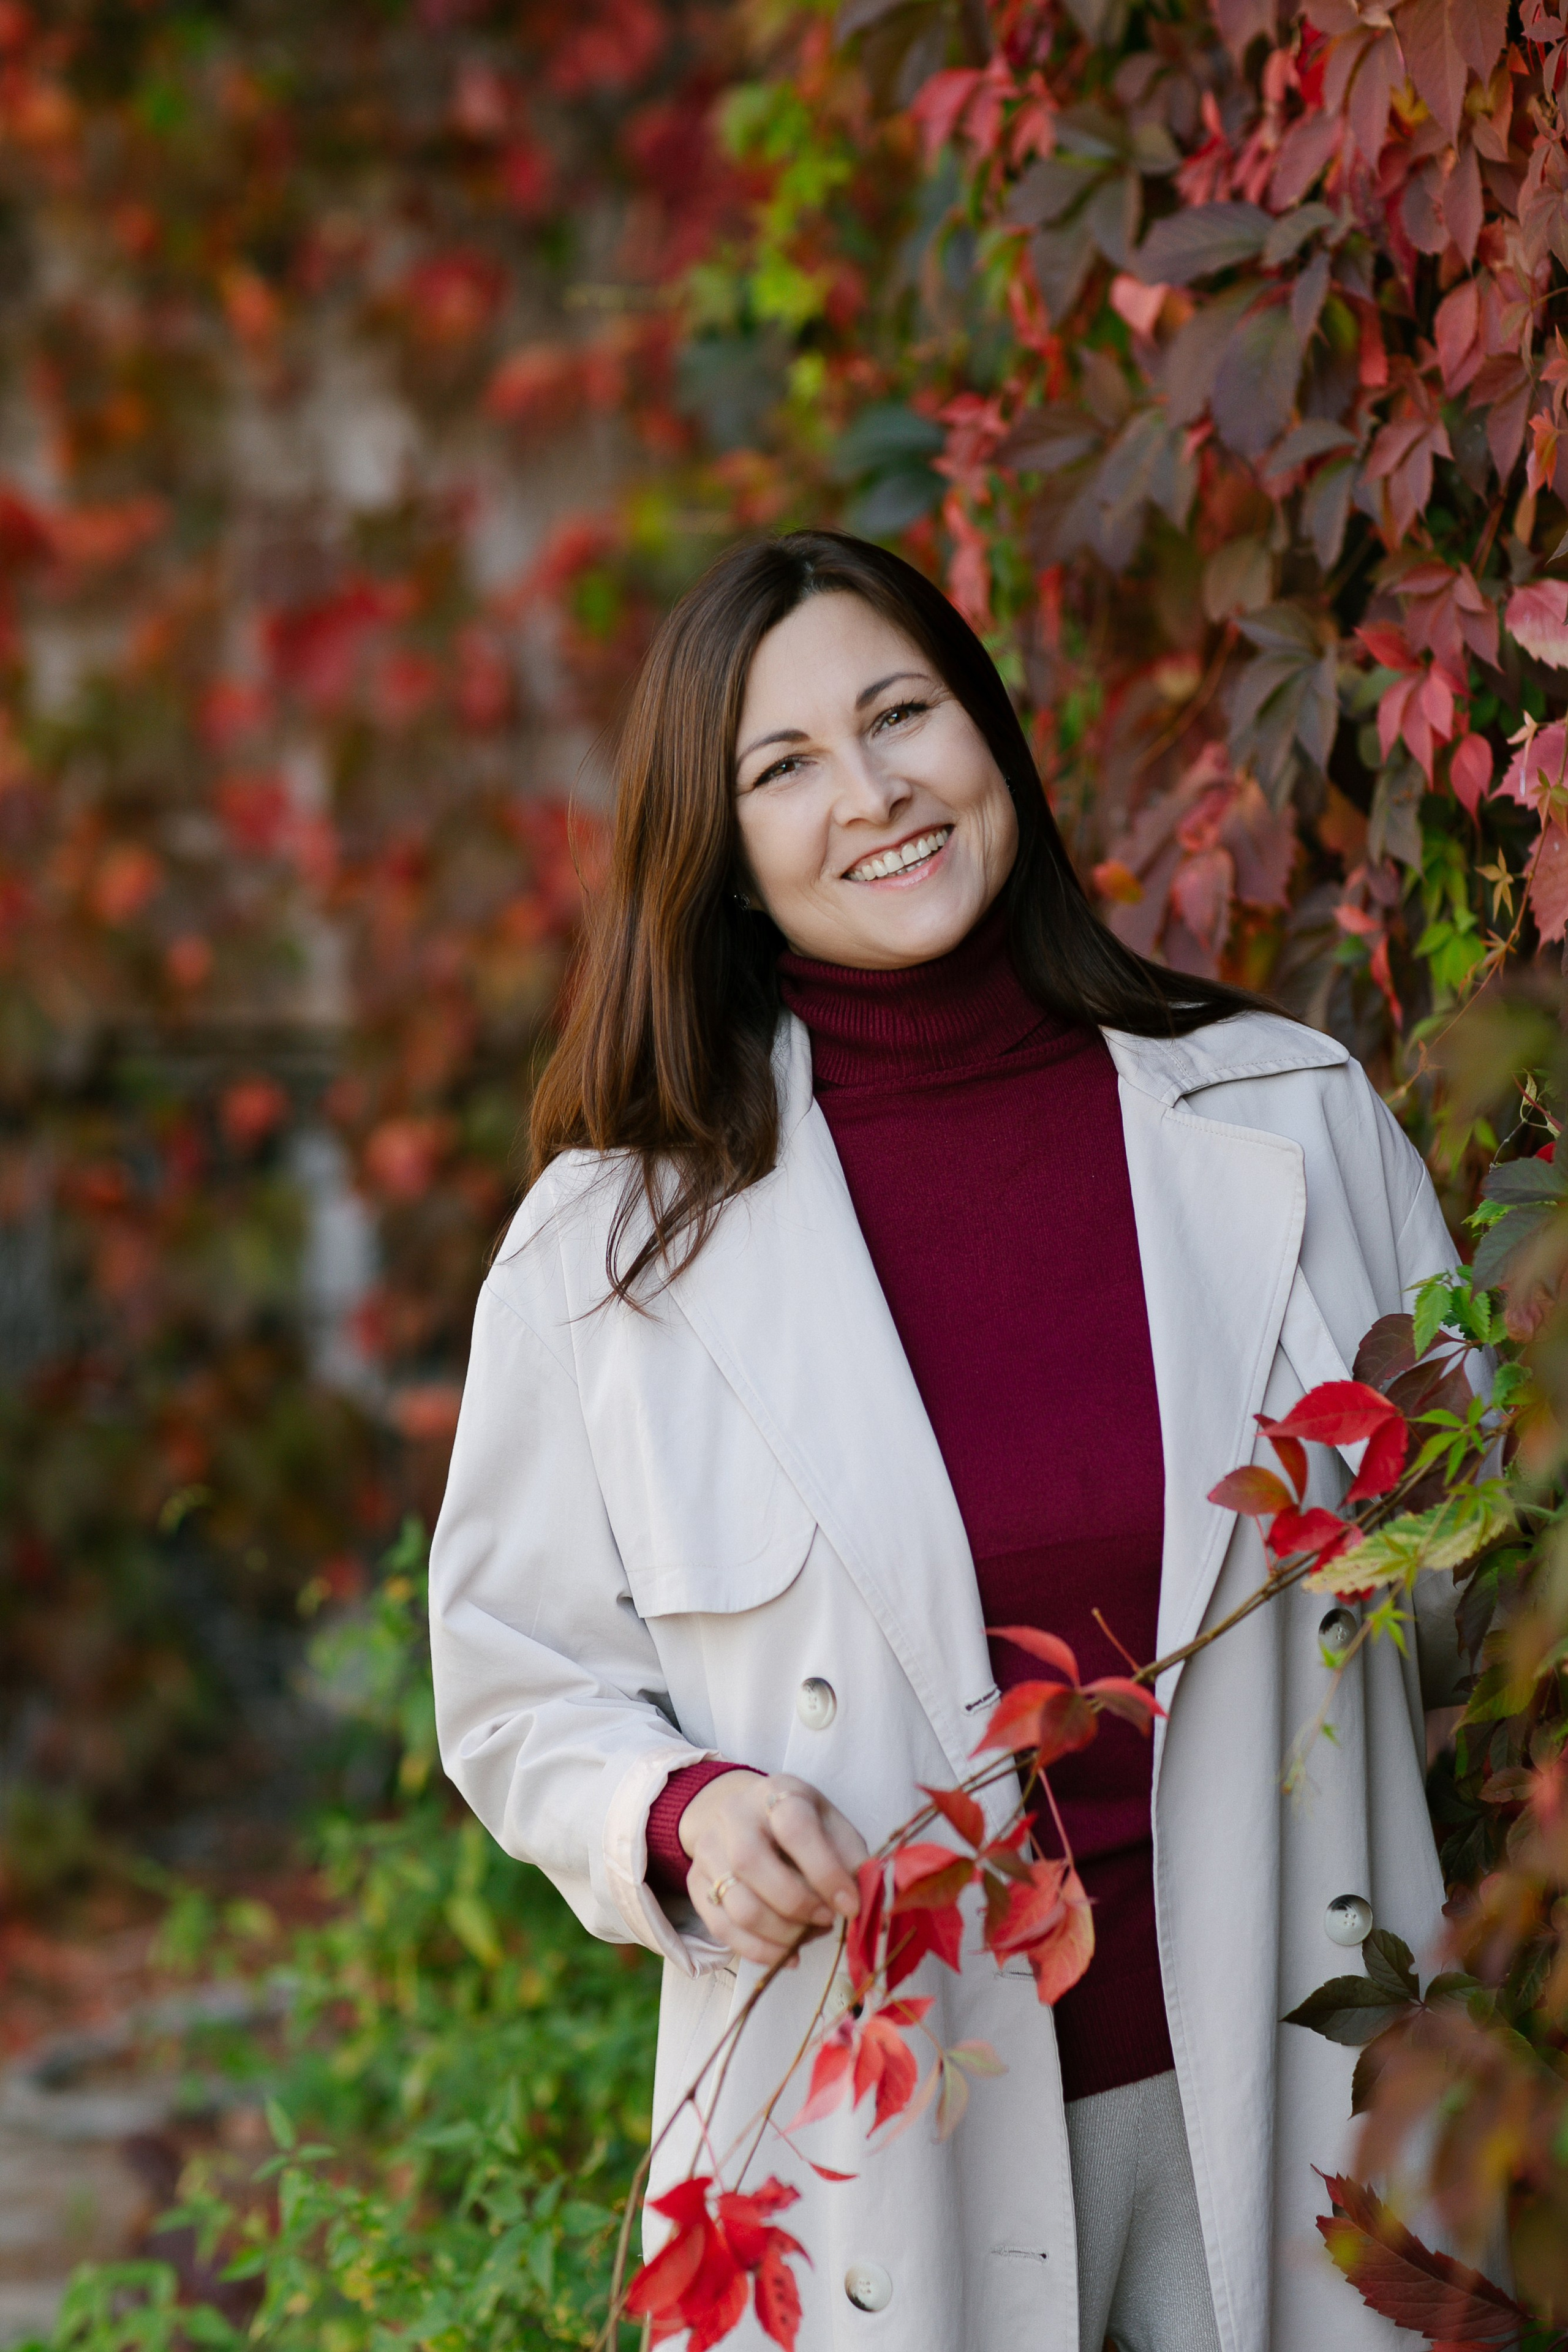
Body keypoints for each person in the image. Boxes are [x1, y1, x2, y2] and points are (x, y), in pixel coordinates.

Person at [429, 530, 1463, 2352]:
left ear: (991, 733)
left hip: (1323, 2101)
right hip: (885, 2152)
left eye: (904, 714)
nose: (876, 790)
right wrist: (679, 1812)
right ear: (725, 856)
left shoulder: (1292, 1124)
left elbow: (1468, 1605)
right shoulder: (617, 1253)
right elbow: (517, 1684)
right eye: (787, 766)